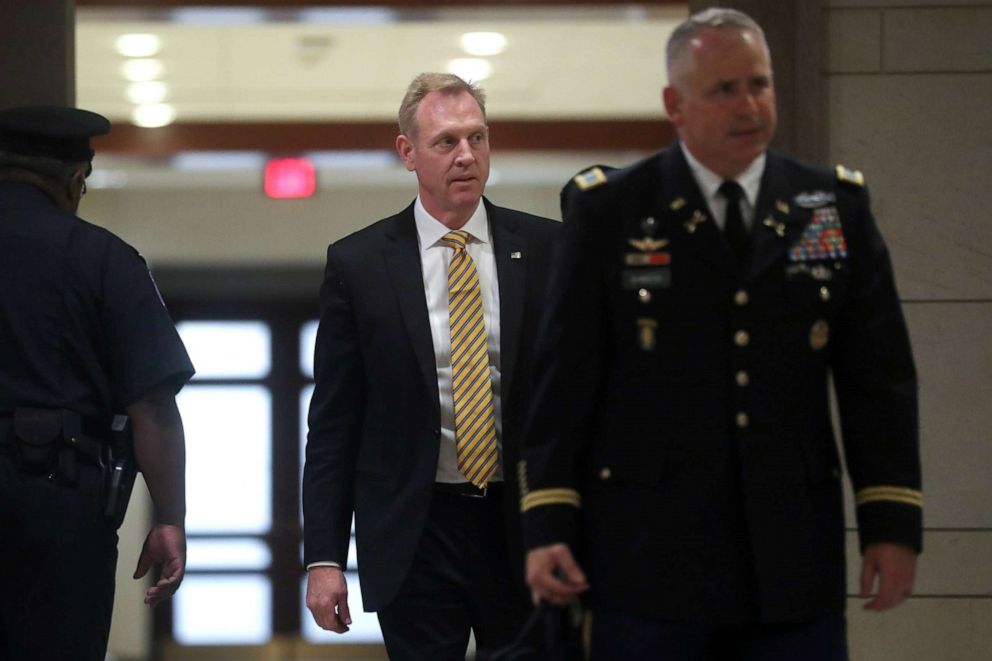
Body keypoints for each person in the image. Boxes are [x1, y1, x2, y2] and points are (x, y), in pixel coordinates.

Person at [520, 8, 921, 660]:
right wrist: (547, 522)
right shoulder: (611, 209)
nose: (750, 105)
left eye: (760, 84)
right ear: (675, 105)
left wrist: (892, 521)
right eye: (724, 89)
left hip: (790, 557)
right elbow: (565, 377)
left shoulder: (830, 205)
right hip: (646, 557)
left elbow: (878, 379)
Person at [302, 73, 559, 659]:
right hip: (414, 529)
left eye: (478, 138)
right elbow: (335, 423)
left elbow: (575, 399)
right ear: (408, 153)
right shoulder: (360, 263)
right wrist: (324, 558)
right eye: (446, 142)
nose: (466, 155)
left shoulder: (548, 249)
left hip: (521, 523)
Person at [0, 106, 194, 660]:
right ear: (74, 179)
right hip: (58, 499)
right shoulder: (104, 258)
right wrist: (169, 518)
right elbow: (152, 404)